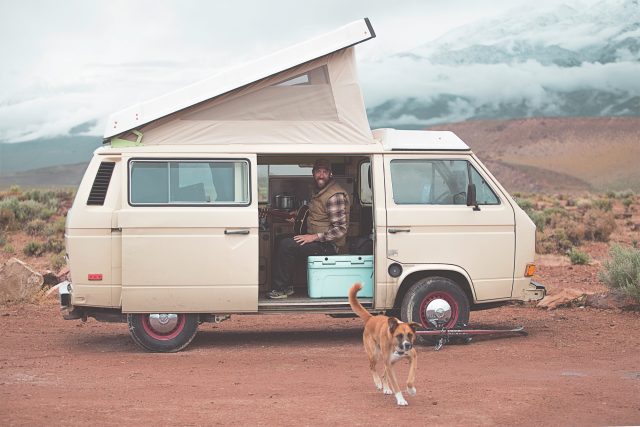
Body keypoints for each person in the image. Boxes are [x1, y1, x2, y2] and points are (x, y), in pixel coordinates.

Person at [268, 158, 350, 299]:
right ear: (313, 173)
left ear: (330, 174)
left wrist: (313, 237)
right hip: (317, 240)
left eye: (325, 172)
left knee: (286, 245)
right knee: (280, 239)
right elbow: (317, 215)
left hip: (329, 245)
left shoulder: (334, 195)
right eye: (318, 171)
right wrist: (297, 216)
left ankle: (280, 289)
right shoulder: (319, 190)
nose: (321, 175)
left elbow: (340, 229)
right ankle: (286, 286)